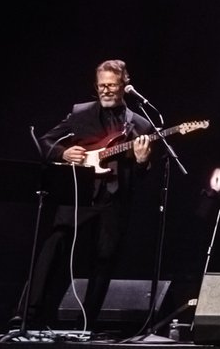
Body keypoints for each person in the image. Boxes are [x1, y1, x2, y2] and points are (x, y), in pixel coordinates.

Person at [18, 59, 156, 332]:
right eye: (101, 85)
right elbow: (46, 142)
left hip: (114, 201)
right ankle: (26, 315)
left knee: (104, 261)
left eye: (111, 86)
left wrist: (142, 161)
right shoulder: (80, 113)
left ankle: (86, 324)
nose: (105, 90)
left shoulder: (141, 124)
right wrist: (64, 153)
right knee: (53, 248)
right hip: (78, 194)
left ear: (124, 85)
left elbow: (142, 175)